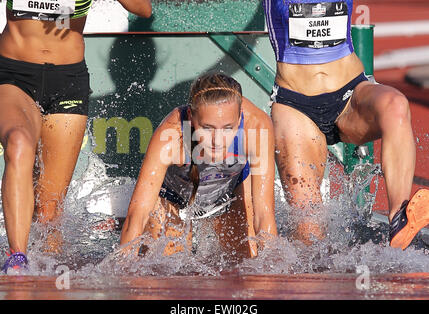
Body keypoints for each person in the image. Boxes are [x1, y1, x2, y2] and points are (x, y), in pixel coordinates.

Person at [0, 0, 152, 272]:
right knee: (19, 144)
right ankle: (17, 261)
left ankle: (47, 278)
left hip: (68, 81)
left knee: (48, 213)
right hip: (14, 74)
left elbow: (144, 9)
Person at [262, 0, 429, 248]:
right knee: (309, 234)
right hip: (295, 106)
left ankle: (399, 218)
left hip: (351, 93)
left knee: (395, 104)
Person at [120, 73, 278, 259]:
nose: (217, 141)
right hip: (173, 197)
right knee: (166, 269)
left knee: (246, 263)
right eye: (208, 128)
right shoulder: (171, 136)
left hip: (229, 193)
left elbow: (264, 215)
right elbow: (137, 215)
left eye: (228, 128)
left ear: (240, 116)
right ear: (191, 117)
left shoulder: (257, 127)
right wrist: (121, 273)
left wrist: (274, 274)